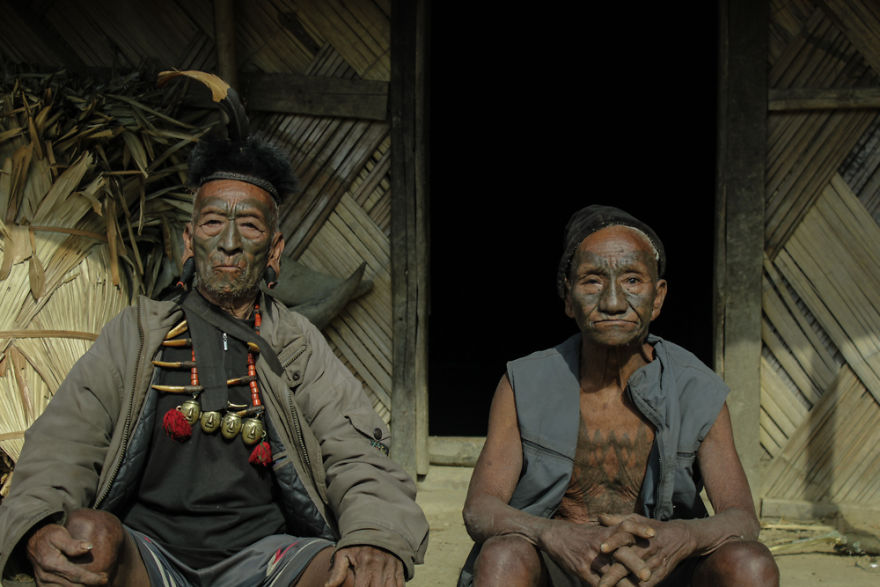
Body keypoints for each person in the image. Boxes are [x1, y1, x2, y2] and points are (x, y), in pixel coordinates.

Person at [0, 134, 428, 586]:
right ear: (189, 241)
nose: (229, 242)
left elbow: (356, 453)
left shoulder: (296, 344)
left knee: (358, 573)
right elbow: (67, 440)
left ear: (274, 250)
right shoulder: (136, 334)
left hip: (268, 558)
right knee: (87, 537)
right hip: (147, 558)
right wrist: (36, 522)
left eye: (250, 226)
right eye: (211, 223)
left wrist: (376, 534)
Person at [459, 205, 779, 586]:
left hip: (662, 567)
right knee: (503, 557)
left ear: (657, 297)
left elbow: (742, 518)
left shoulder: (695, 389)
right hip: (561, 565)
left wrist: (681, 536)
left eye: (632, 280)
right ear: (567, 297)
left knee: (750, 565)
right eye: (593, 281)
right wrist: (553, 534)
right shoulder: (525, 383)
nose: (613, 302)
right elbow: (480, 508)